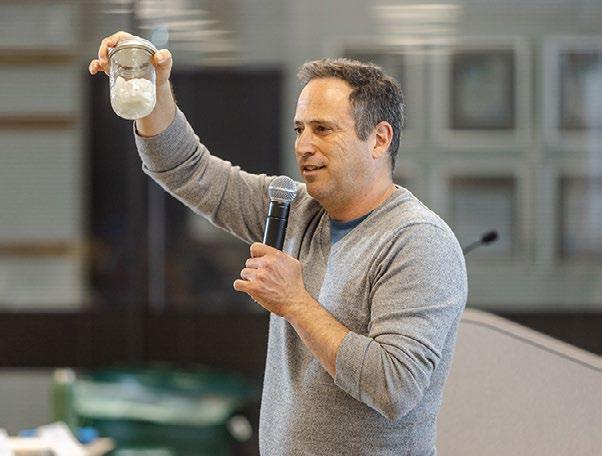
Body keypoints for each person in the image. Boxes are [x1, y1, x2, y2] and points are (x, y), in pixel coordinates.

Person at [90, 31, 467, 456]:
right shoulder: (296, 209)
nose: (304, 146)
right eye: (300, 129)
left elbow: (394, 386)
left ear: (379, 139)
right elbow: (185, 169)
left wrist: (295, 302)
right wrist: (156, 89)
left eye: (323, 130)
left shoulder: (418, 242)